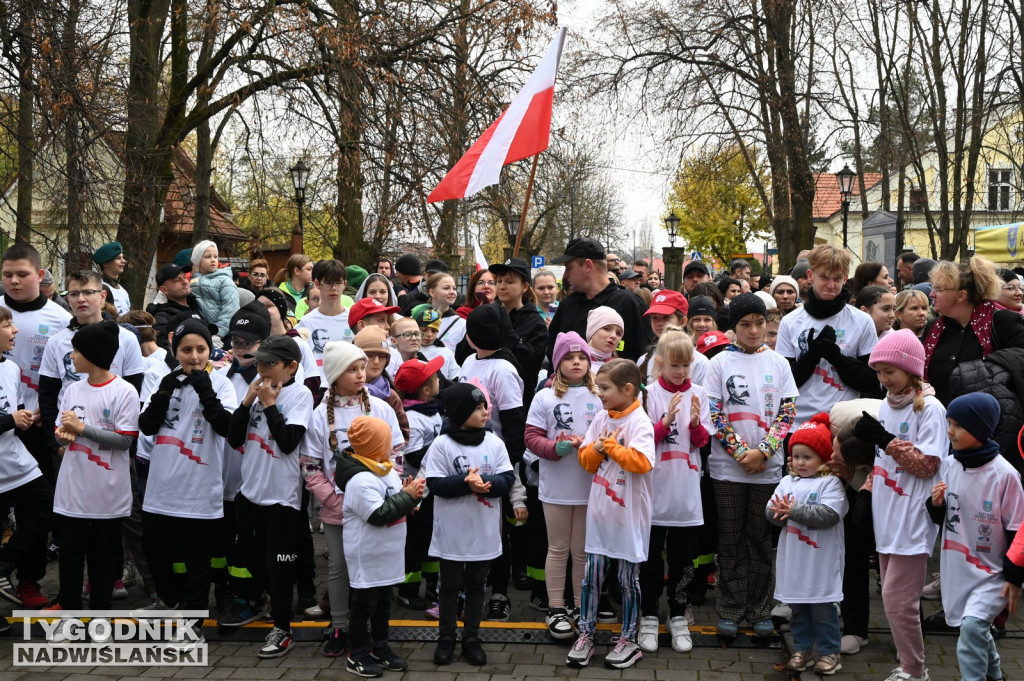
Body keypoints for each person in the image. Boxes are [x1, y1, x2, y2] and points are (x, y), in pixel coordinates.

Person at [852, 328, 947, 681]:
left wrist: (886, 439)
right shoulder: (885, 406)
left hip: (913, 517)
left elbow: (928, 464)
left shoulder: (931, 409)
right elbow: (882, 461)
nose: (883, 379)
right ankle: (910, 666)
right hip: (887, 516)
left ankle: (915, 670)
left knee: (897, 602)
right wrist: (866, 491)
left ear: (911, 370)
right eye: (878, 371)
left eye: (889, 371)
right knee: (895, 602)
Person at [706, 293, 797, 638]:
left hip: (767, 468)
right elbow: (715, 414)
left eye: (759, 323)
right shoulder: (719, 364)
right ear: (734, 327)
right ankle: (730, 607)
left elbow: (787, 413)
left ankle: (759, 607)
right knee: (730, 539)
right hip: (729, 469)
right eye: (745, 324)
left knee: (759, 539)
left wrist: (765, 451)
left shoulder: (779, 363)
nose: (754, 330)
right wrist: (742, 453)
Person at [138, 319, 236, 625]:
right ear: (174, 349)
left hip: (200, 486)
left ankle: (194, 616)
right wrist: (163, 393)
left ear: (210, 350)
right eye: (186, 349)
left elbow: (227, 428)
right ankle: (169, 601)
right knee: (158, 553)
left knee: (197, 558)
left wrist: (206, 392)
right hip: (161, 487)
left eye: (201, 349)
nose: (194, 356)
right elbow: (146, 426)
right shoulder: (162, 379)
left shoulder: (221, 382)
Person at [222, 336, 313, 659]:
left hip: (282, 498)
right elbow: (234, 439)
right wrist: (246, 403)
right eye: (258, 362)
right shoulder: (256, 394)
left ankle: (283, 627)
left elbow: (289, 442)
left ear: (291, 367)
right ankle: (259, 602)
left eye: (268, 364)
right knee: (250, 556)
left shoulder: (300, 394)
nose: (260, 369)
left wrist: (271, 405)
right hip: (249, 493)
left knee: (279, 566)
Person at [48, 322, 140, 630]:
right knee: (71, 554)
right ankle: (69, 612)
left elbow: (125, 440)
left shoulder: (124, 391)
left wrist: (82, 429)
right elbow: (61, 435)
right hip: (73, 489)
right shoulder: (73, 389)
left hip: (107, 490)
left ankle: (101, 613)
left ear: (93, 354)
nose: (72, 356)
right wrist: (64, 435)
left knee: (103, 555)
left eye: (77, 350)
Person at [928, 393, 1024, 681]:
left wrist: (1015, 576)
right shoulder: (948, 465)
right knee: (976, 629)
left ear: (981, 429)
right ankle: (995, 675)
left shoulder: (1005, 475)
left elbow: (1017, 529)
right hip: (957, 568)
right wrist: (936, 505)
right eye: (949, 423)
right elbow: (940, 518)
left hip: (992, 573)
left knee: (970, 629)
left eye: (958, 425)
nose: (949, 431)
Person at [566, 359, 654, 670]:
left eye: (605, 388)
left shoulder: (640, 422)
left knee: (627, 580)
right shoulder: (602, 417)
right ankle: (586, 634)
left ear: (627, 389)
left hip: (629, 515)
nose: (599, 394)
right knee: (592, 577)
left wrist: (612, 447)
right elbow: (586, 460)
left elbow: (642, 462)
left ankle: (629, 639)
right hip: (600, 513)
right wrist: (600, 449)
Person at [424, 382, 515, 666]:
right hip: (452, 531)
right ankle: (446, 638)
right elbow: (435, 483)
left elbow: (508, 478)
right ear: (460, 413)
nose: (485, 412)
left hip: (484, 531)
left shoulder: (494, 442)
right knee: (449, 587)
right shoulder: (442, 444)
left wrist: (486, 485)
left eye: (485, 406)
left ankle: (472, 638)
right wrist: (466, 483)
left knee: (477, 586)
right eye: (477, 409)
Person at [638, 329, 711, 655]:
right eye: (674, 365)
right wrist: (665, 422)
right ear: (660, 363)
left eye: (686, 365)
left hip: (685, 492)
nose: (681, 372)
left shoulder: (699, 393)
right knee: (651, 560)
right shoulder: (647, 394)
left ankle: (678, 614)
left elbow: (702, 442)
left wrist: (695, 424)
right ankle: (649, 614)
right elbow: (641, 441)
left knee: (683, 560)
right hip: (653, 492)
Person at [334, 416, 423, 677]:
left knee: (383, 603)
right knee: (364, 606)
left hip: (387, 554)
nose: (393, 445)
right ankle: (357, 653)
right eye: (387, 441)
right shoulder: (360, 480)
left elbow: (395, 501)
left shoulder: (383, 469)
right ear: (375, 445)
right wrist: (406, 499)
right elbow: (379, 514)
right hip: (368, 556)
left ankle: (380, 647)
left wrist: (410, 498)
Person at [524, 332, 599, 640]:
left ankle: (581, 606)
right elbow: (531, 436)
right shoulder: (544, 396)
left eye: (581, 357)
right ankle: (556, 607)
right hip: (555, 484)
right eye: (569, 358)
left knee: (581, 550)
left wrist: (593, 447)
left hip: (589, 484)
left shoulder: (599, 396)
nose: (576, 362)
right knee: (558, 547)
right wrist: (554, 449)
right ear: (558, 363)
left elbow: (611, 433)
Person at [766, 413, 847, 676]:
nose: (800, 462)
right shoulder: (787, 481)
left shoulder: (831, 483)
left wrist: (793, 510)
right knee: (798, 608)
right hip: (795, 561)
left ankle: (829, 652)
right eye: (796, 456)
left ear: (822, 458)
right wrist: (777, 512)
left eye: (807, 457)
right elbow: (772, 511)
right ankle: (802, 649)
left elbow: (829, 515)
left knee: (824, 609)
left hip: (821, 561)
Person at [777, 244, 880, 427]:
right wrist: (812, 355)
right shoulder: (790, 322)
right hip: (798, 423)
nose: (831, 285)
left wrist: (838, 358)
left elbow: (870, 380)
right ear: (810, 275)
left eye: (837, 278)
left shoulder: (862, 321)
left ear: (845, 279)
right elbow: (783, 383)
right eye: (824, 277)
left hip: (842, 423)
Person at [211, 309, 270, 613]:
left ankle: (250, 595)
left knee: (247, 544)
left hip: (252, 479)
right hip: (219, 478)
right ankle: (223, 591)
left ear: (264, 343)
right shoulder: (217, 375)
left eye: (249, 342)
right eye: (236, 341)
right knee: (220, 544)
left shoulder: (271, 381)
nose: (241, 347)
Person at [0, 243, 73, 484]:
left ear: (40, 276)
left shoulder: (62, 319)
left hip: (39, 420)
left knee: (39, 500)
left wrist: (50, 407)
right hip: (3, 423)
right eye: (7, 275)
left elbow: (69, 372)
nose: (14, 281)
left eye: (22, 274)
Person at [0, 306, 53, 610]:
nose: (15, 330)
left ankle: (6, 564)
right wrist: (11, 420)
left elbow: (15, 410)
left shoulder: (11, 368)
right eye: (7, 325)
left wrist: (26, 419)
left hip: (17, 463)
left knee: (45, 508)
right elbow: (9, 417)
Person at [923, 257, 1024, 407]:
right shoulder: (933, 328)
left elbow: (1018, 367)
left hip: (990, 422)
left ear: (961, 296)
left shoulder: (1002, 322)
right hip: (941, 422)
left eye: (938, 289)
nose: (931, 294)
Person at [393, 357, 445, 614]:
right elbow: (412, 456)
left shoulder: (431, 409)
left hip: (434, 489)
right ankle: (408, 590)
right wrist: (442, 444)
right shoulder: (412, 416)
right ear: (425, 389)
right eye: (434, 378)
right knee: (414, 543)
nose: (439, 380)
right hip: (416, 491)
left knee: (432, 540)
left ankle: (433, 587)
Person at [547, 237, 652, 363]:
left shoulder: (630, 304)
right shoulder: (567, 306)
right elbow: (554, 355)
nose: (565, 275)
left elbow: (647, 357)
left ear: (587, 265)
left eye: (569, 268)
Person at [488, 257, 548, 401]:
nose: (502, 287)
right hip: (486, 392)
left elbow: (531, 363)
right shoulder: (488, 314)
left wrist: (508, 333)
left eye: (509, 282)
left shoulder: (535, 322)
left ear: (524, 287)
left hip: (517, 397)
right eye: (499, 281)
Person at [296, 260, 356, 377]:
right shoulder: (306, 322)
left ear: (344, 284)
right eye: (328, 283)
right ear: (317, 284)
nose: (333, 288)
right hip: (318, 388)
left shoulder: (354, 319)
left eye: (338, 283)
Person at [355, 327, 409, 442]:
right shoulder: (345, 389)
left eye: (382, 356)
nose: (376, 362)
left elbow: (402, 437)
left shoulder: (390, 396)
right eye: (369, 355)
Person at [189, 240, 239, 338]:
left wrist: (219, 332)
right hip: (201, 332)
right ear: (198, 261)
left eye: (215, 256)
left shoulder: (225, 280)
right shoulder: (192, 282)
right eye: (208, 256)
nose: (213, 260)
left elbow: (230, 308)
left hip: (224, 333)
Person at [147, 263, 202, 348]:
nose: (184, 282)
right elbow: (165, 351)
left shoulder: (196, 305)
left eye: (184, 277)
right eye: (177, 280)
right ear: (164, 289)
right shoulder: (161, 318)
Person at [423, 273, 465, 352]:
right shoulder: (416, 318)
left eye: (454, 288)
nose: (452, 292)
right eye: (446, 288)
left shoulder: (461, 324)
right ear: (432, 292)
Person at [93, 241, 131, 315]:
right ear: (105, 263)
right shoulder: (98, 288)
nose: (123, 261)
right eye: (118, 258)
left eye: (123, 257)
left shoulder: (123, 291)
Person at [585, 306, 623, 374]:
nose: (614, 336)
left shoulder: (621, 368)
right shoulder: (575, 361)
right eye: (607, 329)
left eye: (618, 333)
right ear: (592, 330)